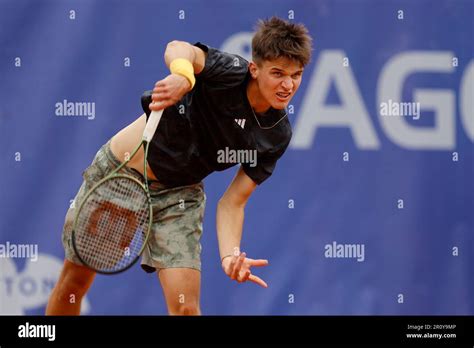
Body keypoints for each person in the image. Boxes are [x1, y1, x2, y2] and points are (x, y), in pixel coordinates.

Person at [46, 16, 312, 315]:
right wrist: (184, 76)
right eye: (278, 73)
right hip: (121, 175)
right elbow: (178, 48)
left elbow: (233, 203)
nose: (288, 85)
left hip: (180, 196)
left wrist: (229, 256)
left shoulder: (277, 134)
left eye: (296, 75)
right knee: (74, 285)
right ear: (255, 69)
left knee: (186, 309)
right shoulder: (230, 73)